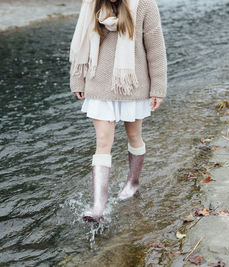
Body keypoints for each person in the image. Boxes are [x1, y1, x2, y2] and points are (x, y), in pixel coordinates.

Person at [69, 0, 167, 222]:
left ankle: (133, 182)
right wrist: (77, 79)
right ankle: (98, 208)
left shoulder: (145, 5)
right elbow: (81, 40)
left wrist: (158, 88)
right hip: (98, 83)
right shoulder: (91, 4)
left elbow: (156, 48)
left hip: (133, 84)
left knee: (134, 136)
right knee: (103, 142)